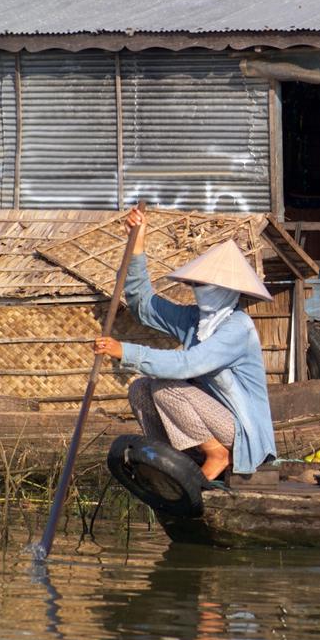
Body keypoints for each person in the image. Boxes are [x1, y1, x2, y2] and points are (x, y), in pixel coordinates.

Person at [93, 206, 276, 483]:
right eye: (194, 284)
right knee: (141, 388)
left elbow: (188, 364)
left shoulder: (237, 328)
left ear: (225, 289)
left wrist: (126, 352)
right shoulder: (195, 320)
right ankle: (178, 460)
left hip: (242, 432)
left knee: (166, 387)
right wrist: (138, 245)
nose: (197, 290)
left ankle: (218, 454)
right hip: (208, 419)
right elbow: (144, 307)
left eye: (202, 284)